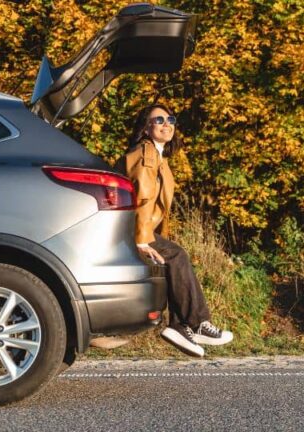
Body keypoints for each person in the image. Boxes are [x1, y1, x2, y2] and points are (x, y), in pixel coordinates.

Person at [90, 104, 233, 357]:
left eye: (171, 119)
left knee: (174, 255)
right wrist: (142, 240)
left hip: (132, 227)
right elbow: (143, 199)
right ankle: (193, 324)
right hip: (128, 229)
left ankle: (183, 326)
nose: (167, 124)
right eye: (159, 120)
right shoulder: (145, 154)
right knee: (175, 255)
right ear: (146, 127)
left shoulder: (158, 156)